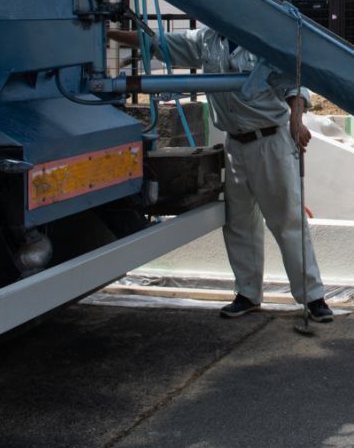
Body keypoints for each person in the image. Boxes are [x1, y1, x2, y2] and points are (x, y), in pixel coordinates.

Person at [108, 19, 333, 324]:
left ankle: (312, 297)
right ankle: (248, 294)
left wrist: (296, 119)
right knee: (239, 222)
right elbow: (160, 43)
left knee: (287, 221)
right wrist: (109, 32)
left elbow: (294, 83)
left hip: (270, 140)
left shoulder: (263, 40)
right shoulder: (207, 39)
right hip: (235, 144)